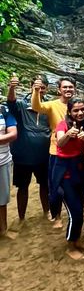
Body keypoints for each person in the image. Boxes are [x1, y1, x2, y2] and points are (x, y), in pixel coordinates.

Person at [32, 76, 76, 228]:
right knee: (55, 186)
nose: (68, 89)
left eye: (70, 87)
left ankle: (75, 210)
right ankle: (56, 215)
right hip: (56, 150)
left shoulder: (76, 105)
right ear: (59, 90)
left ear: (74, 89)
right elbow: (37, 107)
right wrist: (36, 91)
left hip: (75, 151)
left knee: (76, 183)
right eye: (65, 87)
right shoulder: (52, 105)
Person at [7, 74, 50, 224]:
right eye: (36, 88)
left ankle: (47, 214)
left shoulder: (47, 107)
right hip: (22, 156)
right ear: (31, 87)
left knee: (45, 185)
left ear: (47, 89)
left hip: (44, 156)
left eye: (42, 88)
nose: (39, 91)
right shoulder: (21, 105)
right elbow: (10, 102)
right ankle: (21, 219)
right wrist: (12, 87)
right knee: (22, 187)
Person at [54, 97, 84, 259]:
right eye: (75, 110)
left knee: (80, 207)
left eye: (82, 109)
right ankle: (70, 246)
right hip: (64, 171)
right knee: (75, 213)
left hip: (81, 169)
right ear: (69, 112)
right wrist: (69, 134)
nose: (80, 112)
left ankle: (76, 239)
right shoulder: (63, 125)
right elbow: (60, 143)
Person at [0, 101, 17, 236]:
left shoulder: (4, 110)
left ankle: (3, 230)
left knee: (2, 198)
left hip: (3, 160)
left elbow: (13, 134)